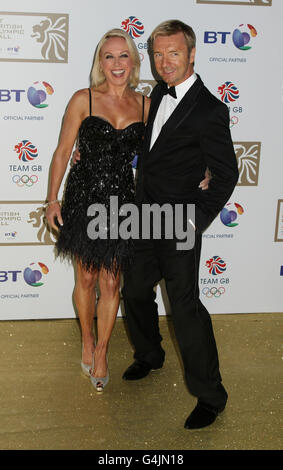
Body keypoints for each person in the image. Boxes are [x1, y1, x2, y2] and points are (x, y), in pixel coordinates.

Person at [121, 20, 239, 430]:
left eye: (173, 53)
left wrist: (195, 220)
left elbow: (225, 175)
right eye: (158, 53)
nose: (164, 62)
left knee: (185, 309)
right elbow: (154, 150)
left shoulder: (210, 109)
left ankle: (211, 396)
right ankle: (150, 355)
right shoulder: (156, 93)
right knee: (133, 289)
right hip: (143, 218)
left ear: (191, 54)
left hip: (179, 224)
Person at [45, 28, 151, 392]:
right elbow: (62, 151)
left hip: (122, 202)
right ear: (100, 63)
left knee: (111, 281)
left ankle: (103, 350)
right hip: (84, 198)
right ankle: (87, 340)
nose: (117, 63)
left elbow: (166, 151)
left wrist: (201, 171)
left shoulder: (146, 105)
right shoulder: (83, 99)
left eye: (124, 56)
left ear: (133, 61)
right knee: (87, 278)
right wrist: (52, 199)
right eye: (109, 56)